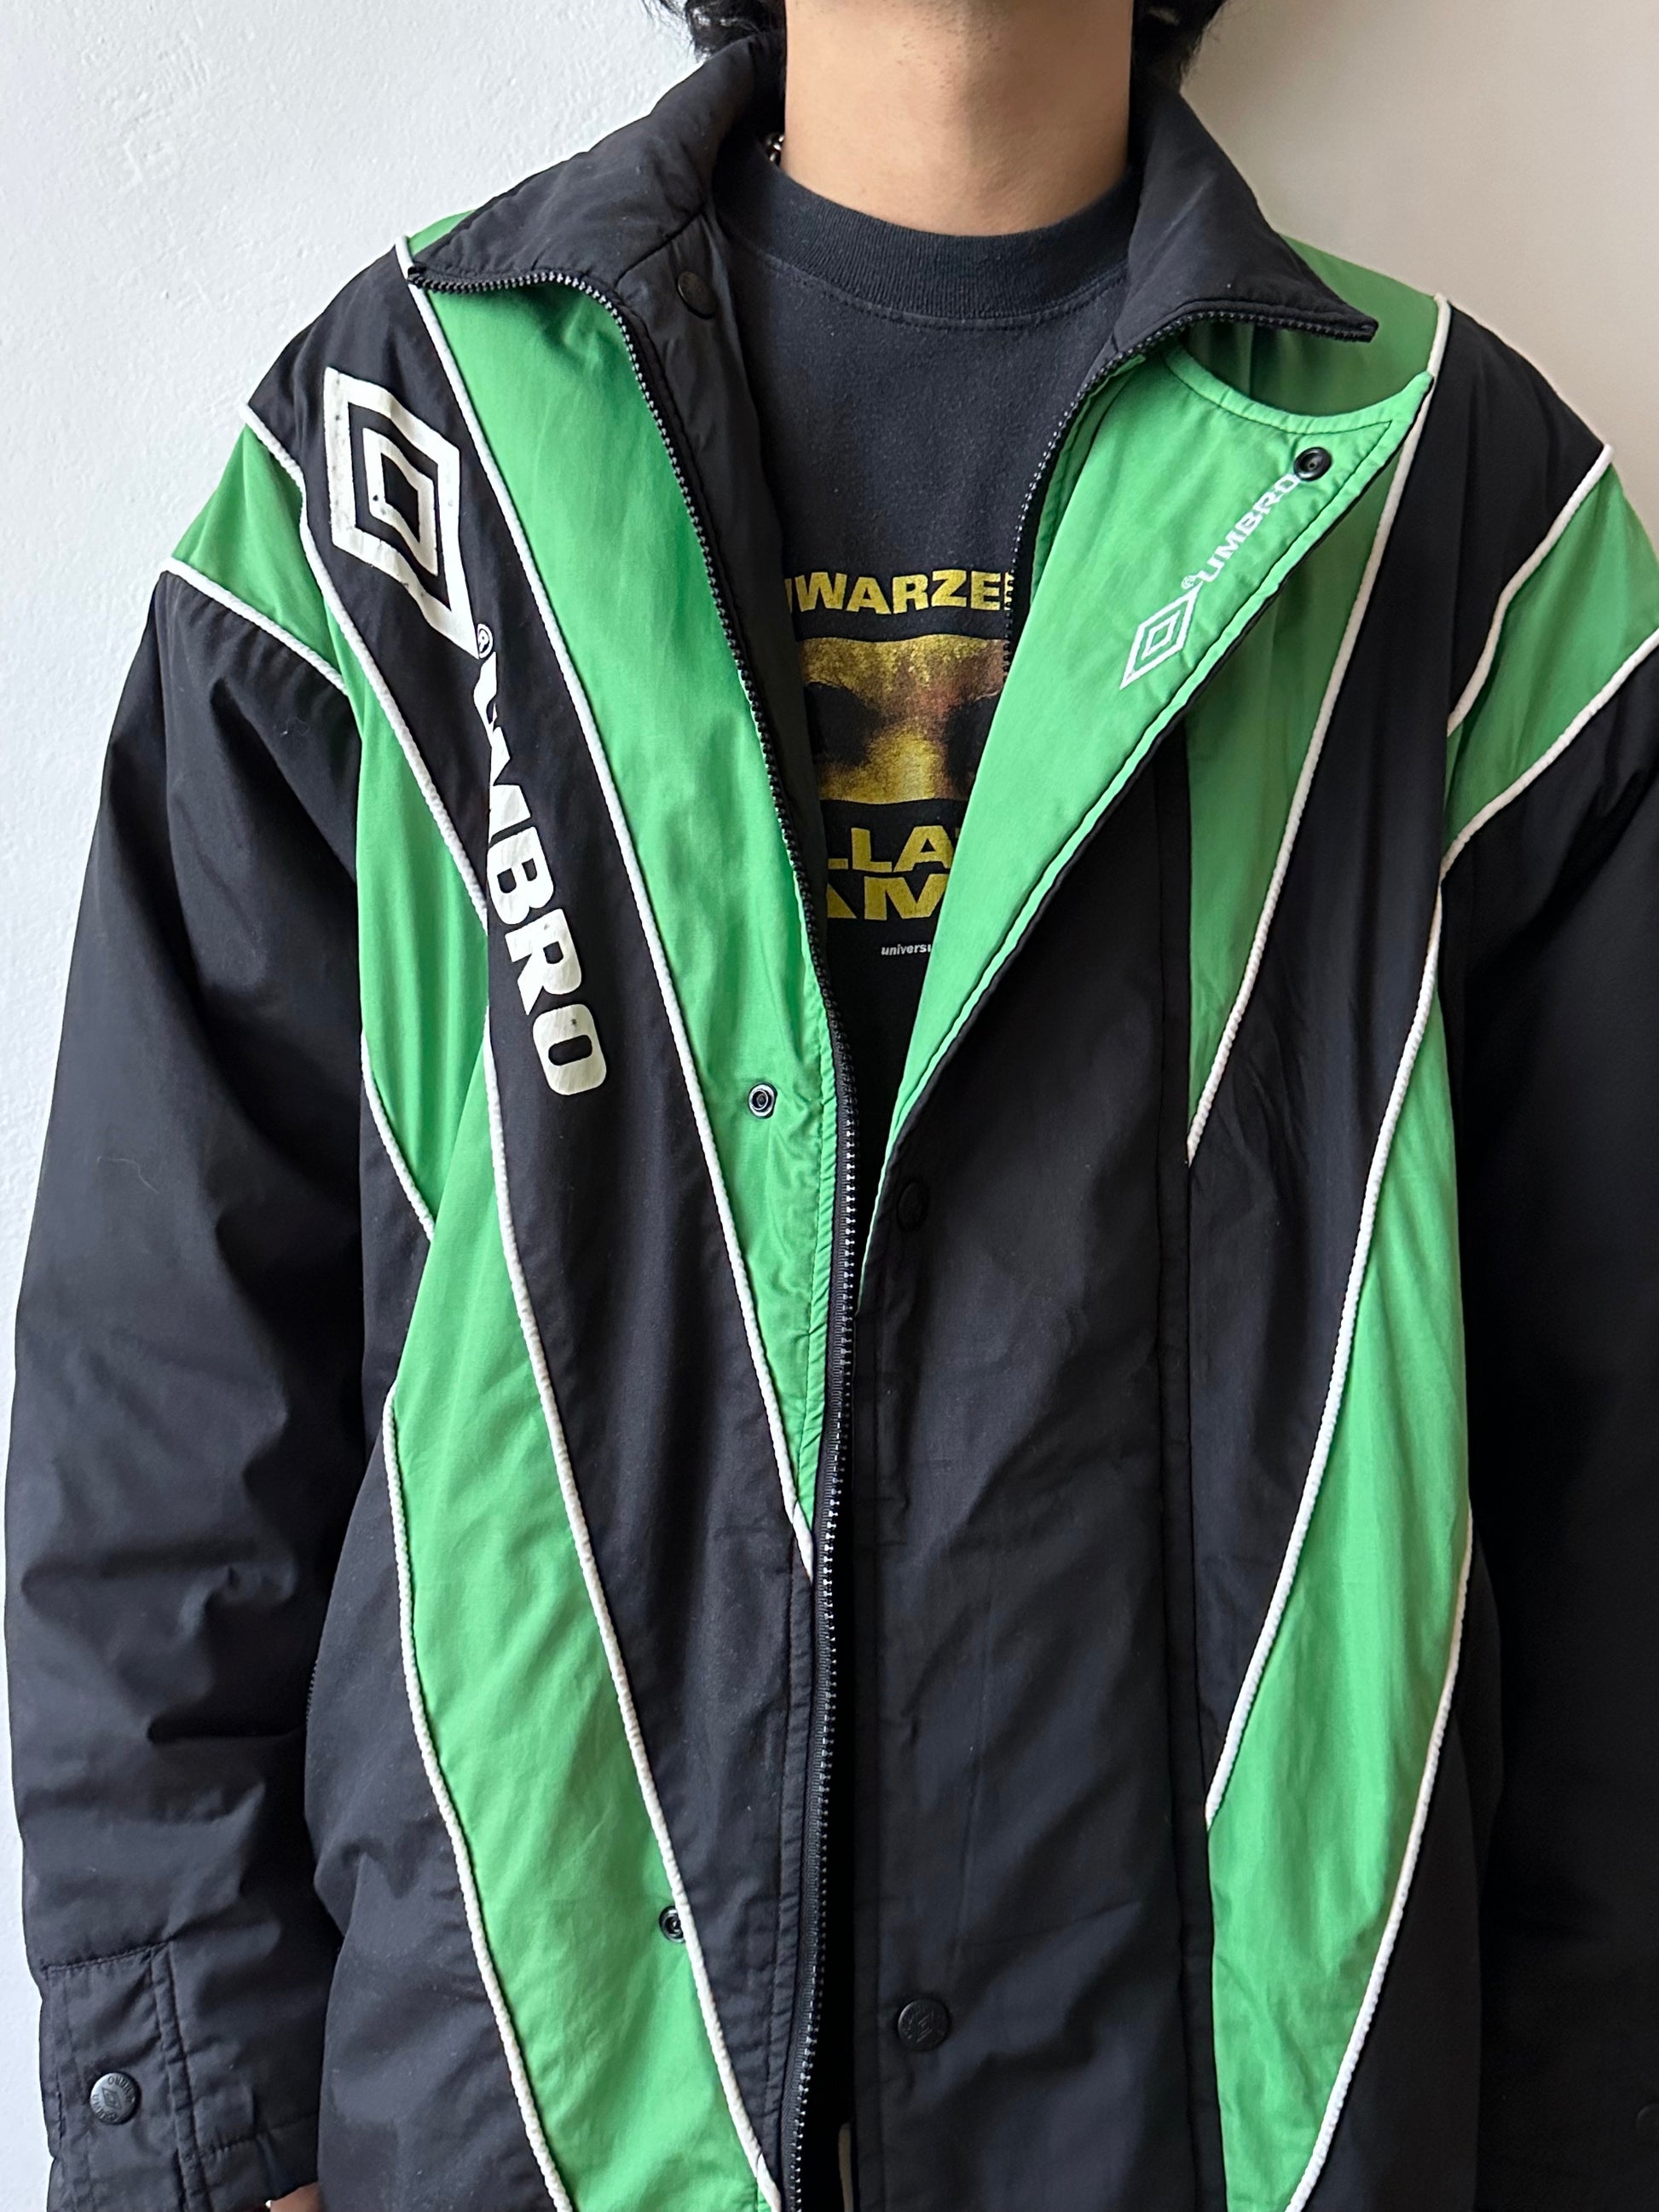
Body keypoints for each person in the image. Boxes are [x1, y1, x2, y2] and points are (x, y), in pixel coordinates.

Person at [9, 0, 1659, 2202]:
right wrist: (205, 2138)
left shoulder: (1456, 523)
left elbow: (1617, 1478)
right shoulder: (403, 472)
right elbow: (163, 1403)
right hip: (535, 2124)